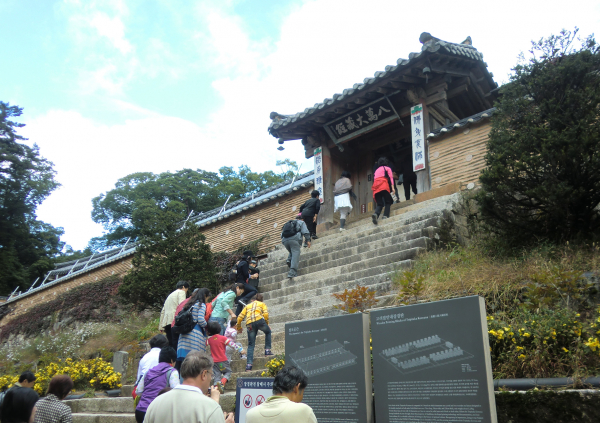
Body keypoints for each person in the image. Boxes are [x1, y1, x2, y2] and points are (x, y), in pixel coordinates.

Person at [143, 352, 235, 423]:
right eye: (211, 374)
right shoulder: (211, 407)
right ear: (203, 374)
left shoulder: (155, 403)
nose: (211, 378)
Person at [245, 366, 316, 423]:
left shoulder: (251, 415)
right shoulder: (304, 411)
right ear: (296, 388)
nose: (301, 398)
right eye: (302, 393)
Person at [135, 347, 180, 423]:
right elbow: (176, 392)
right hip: (158, 412)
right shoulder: (172, 372)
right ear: (172, 361)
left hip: (141, 411)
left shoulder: (148, 372)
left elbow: (138, 391)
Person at [236, 293, 272, 372]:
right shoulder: (262, 304)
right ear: (261, 300)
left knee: (251, 344)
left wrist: (238, 327)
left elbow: (240, 317)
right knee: (268, 332)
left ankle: (249, 365)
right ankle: (267, 350)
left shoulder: (247, 306)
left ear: (253, 300)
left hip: (249, 324)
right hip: (259, 321)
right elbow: (265, 314)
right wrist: (267, 324)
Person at [176, 288, 210, 371]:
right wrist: (208, 327)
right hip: (194, 335)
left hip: (184, 335)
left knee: (185, 364)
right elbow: (201, 320)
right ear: (205, 296)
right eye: (207, 298)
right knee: (194, 363)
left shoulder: (188, 305)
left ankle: (183, 382)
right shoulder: (201, 305)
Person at [206, 321, 244, 387]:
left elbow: (205, 344)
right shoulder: (223, 338)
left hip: (214, 362)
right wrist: (240, 349)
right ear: (219, 329)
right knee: (228, 372)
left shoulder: (209, 340)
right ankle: (222, 382)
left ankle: (216, 388)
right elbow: (232, 344)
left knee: (217, 374)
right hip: (222, 360)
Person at [159, 281, 189, 347]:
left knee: (171, 343)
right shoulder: (181, 292)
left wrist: (161, 326)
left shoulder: (170, 295)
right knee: (177, 343)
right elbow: (182, 305)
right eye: (187, 290)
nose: (186, 292)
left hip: (167, 322)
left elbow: (163, 311)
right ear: (183, 287)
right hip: (175, 321)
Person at [281, 214, 311, 279]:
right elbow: (305, 231)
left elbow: (281, 234)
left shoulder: (288, 223)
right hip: (294, 239)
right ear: (302, 219)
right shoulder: (301, 222)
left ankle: (289, 259)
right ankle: (292, 272)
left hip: (285, 241)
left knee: (292, 251)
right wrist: (308, 240)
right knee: (295, 253)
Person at [371, 157, 395, 225]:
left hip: (376, 187)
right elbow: (391, 178)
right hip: (383, 185)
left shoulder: (376, 170)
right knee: (388, 201)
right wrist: (393, 188)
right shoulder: (387, 168)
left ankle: (376, 214)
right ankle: (385, 215)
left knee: (380, 204)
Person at [234, 251, 259, 315]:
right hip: (242, 283)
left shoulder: (240, 263)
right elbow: (245, 274)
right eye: (251, 258)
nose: (251, 259)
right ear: (248, 257)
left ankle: (236, 318)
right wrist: (252, 276)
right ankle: (244, 299)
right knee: (254, 290)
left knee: (240, 303)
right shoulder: (245, 263)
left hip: (237, 284)